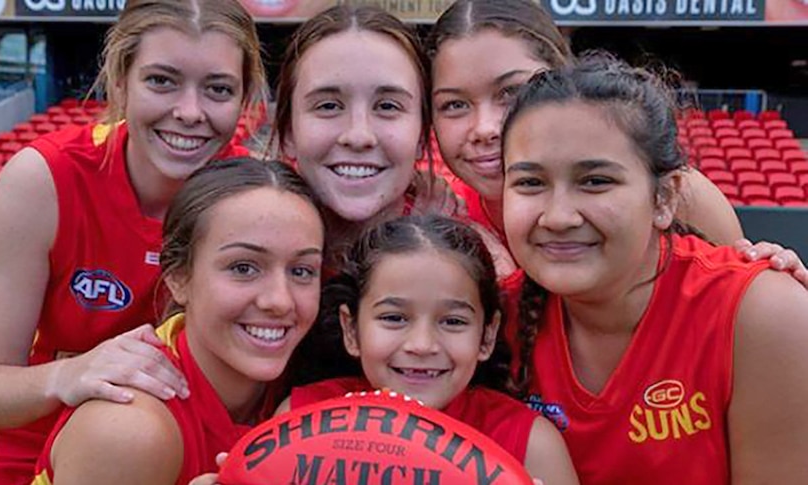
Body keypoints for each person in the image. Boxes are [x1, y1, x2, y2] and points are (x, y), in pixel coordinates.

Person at [0, 1, 264, 483]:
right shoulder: (47, 180)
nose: (189, 112)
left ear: (244, 102)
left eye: (218, 89)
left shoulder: (254, 200)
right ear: (120, 81)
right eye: (161, 80)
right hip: (16, 442)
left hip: (163, 442)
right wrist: (71, 375)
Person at [500, 55, 808, 484]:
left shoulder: (763, 316)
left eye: (595, 181)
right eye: (530, 182)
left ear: (664, 197)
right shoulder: (488, 323)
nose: (558, 216)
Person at [426, 0, 805, 276]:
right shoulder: (446, 215)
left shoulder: (678, 194)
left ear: (561, 79)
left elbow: (732, 301)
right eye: (454, 105)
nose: (486, 127)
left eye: (511, 92)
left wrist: (770, 283)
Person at [33, 158, 325, 484]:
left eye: (301, 271)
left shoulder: (314, 388)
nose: (279, 301)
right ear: (179, 277)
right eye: (243, 267)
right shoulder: (126, 428)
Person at [276, 215, 579, 485]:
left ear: (487, 335)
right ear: (351, 329)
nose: (422, 345)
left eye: (453, 321)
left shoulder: (529, 446)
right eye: (394, 318)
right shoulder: (301, 423)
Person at [272, 5, 468, 269]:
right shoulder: (238, 240)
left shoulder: (472, 263)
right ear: (288, 134)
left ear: (422, 137)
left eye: (387, 106)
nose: (358, 136)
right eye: (328, 106)